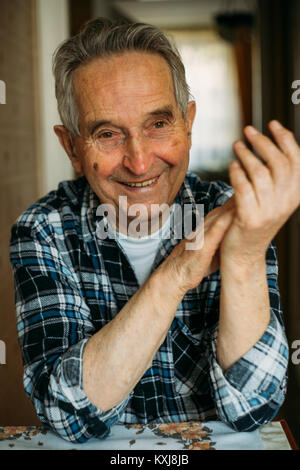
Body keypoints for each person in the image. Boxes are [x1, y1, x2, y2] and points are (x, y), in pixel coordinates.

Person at [9, 18, 300, 444]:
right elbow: (66, 415)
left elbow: (254, 408)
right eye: (107, 134)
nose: (140, 163)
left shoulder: (234, 212)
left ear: (188, 123)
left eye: (158, 125)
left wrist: (244, 254)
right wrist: (178, 271)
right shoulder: (43, 230)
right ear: (71, 147)